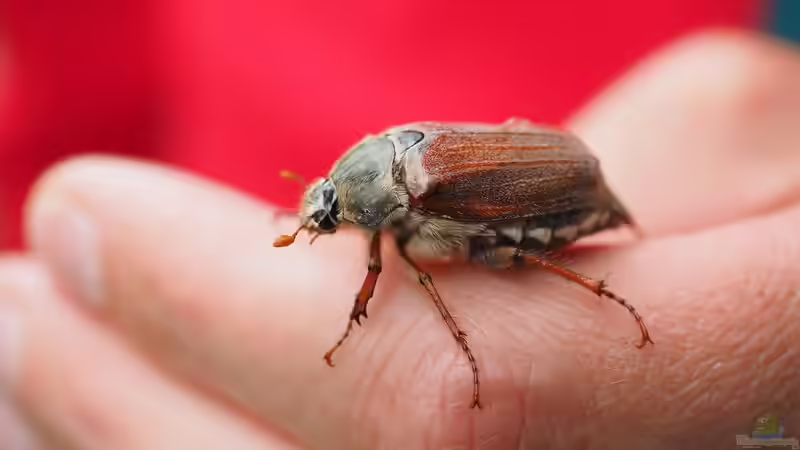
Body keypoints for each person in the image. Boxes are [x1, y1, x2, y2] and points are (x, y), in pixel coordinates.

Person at [2, 29, 800, 450]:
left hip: (562, 196)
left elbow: (401, 275)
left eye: (332, 213)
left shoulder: (411, 211)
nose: (330, 221)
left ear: (377, 197)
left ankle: (601, 291)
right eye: (325, 211)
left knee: (511, 255)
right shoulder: (377, 176)